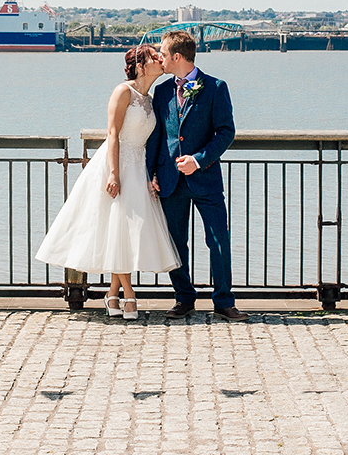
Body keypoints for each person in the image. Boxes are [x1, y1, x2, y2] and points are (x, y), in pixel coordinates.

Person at [36, 44, 180, 320]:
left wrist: (151, 173)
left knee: (124, 232)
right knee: (118, 228)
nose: (161, 60)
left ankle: (112, 294)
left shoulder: (150, 98)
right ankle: (129, 296)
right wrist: (114, 173)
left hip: (138, 165)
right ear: (141, 65)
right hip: (116, 163)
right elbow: (113, 134)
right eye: (155, 58)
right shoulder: (122, 91)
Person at [145, 30, 248, 322]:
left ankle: (224, 302)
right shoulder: (163, 91)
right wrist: (151, 172)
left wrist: (198, 160)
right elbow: (157, 136)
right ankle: (184, 298)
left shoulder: (216, 87)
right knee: (175, 242)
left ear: (177, 57)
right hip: (169, 179)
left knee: (218, 240)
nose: (159, 58)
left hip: (205, 179)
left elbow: (226, 132)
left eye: (163, 54)